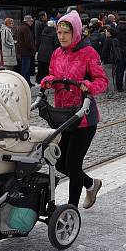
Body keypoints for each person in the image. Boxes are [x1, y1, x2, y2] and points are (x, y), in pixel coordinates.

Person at [40, 11, 108, 209]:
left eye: (65, 33)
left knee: (72, 164)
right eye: (59, 33)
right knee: (60, 163)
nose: (61, 37)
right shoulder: (57, 53)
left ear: (76, 32)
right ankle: (91, 184)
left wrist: (88, 85)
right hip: (64, 117)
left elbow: (102, 81)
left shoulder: (88, 53)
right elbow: (52, 75)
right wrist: (47, 81)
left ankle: (71, 209)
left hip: (84, 117)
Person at [100, 26, 121, 97]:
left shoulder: (108, 40)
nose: (105, 32)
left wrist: (101, 59)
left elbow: (104, 52)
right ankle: (110, 90)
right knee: (111, 76)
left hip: (107, 61)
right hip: (114, 60)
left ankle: (111, 92)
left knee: (108, 77)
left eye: (106, 31)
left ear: (110, 33)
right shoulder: (115, 39)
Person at [16, 15, 35, 84]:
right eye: (31, 21)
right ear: (27, 21)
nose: (32, 22)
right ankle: (25, 83)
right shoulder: (26, 28)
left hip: (22, 51)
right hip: (26, 52)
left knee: (25, 68)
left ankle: (27, 82)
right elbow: (28, 42)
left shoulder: (21, 27)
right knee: (25, 69)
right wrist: (33, 48)